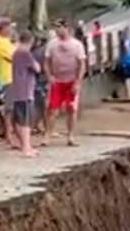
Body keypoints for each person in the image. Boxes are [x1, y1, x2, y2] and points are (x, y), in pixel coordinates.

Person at [44, 19, 86, 147]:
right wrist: (49, 76)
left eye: (59, 27)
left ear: (66, 28)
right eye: (56, 28)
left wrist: (78, 82)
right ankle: (47, 135)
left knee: (71, 109)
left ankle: (71, 136)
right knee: (52, 109)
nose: (57, 30)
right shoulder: (51, 44)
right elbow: (46, 62)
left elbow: (82, 64)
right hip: (57, 80)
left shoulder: (77, 45)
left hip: (71, 80)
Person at [7, 30, 41, 157]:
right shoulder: (25, 53)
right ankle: (26, 148)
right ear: (31, 41)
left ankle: (25, 146)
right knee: (26, 122)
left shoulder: (15, 53)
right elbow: (37, 68)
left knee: (19, 120)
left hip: (17, 90)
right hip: (25, 91)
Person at [0, 17, 18, 147]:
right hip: (5, 78)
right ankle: (8, 135)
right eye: (9, 27)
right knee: (8, 109)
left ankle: (9, 133)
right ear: (3, 28)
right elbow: (13, 58)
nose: (11, 30)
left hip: (10, 77)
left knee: (10, 108)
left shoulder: (7, 41)